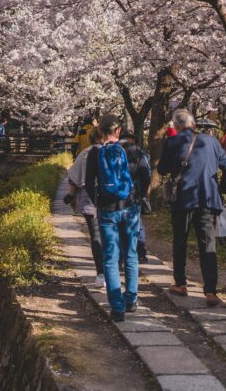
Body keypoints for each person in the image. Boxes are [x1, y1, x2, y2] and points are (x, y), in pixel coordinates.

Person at [157, 108, 226, 308]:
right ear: (193, 124)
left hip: (182, 199)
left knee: (180, 241)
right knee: (208, 244)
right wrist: (221, 189)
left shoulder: (172, 142)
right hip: (207, 198)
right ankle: (210, 291)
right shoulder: (211, 141)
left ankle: (181, 283)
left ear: (176, 125)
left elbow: (162, 169)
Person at [84, 114, 142, 322]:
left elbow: (89, 182)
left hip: (107, 210)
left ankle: (117, 308)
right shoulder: (133, 150)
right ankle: (131, 300)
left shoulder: (94, 153)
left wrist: (98, 201)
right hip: (131, 208)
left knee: (110, 257)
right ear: (119, 131)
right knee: (131, 254)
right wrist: (138, 196)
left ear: (100, 132)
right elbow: (145, 174)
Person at [65, 128, 105, 288]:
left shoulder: (84, 154)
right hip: (111, 200)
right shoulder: (112, 152)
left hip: (89, 198)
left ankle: (101, 274)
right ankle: (113, 269)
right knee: (110, 234)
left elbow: (72, 179)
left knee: (95, 235)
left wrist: (70, 197)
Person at [119, 132, 151, 263]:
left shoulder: (115, 153)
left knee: (120, 227)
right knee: (136, 225)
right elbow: (146, 176)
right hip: (134, 196)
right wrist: (142, 194)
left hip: (117, 197)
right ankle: (139, 253)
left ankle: (121, 256)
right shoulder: (140, 154)